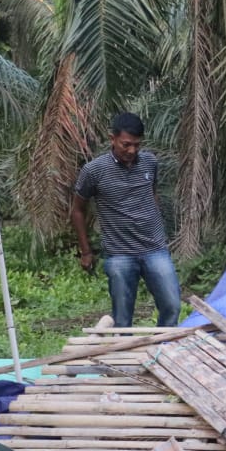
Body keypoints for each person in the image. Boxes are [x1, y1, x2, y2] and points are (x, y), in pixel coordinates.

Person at [71, 112, 182, 327]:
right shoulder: (94, 171)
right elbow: (77, 210)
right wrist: (86, 251)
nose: (132, 150)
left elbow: (152, 192)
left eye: (137, 145)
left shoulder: (149, 162)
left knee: (172, 305)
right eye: (126, 145)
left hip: (154, 248)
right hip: (119, 254)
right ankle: (124, 348)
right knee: (122, 317)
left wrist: (154, 219)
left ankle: (163, 345)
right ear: (112, 139)